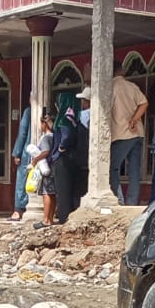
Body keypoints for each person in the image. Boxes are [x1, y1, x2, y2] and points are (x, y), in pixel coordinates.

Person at [110, 61, 148, 205]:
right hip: (137, 132)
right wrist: (134, 119)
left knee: (112, 167)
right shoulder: (132, 86)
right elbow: (144, 103)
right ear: (122, 71)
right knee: (134, 170)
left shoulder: (111, 88)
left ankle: (118, 199)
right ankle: (132, 202)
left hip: (122, 134)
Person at [51, 92, 87, 225]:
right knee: (72, 191)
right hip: (74, 160)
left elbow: (66, 135)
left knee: (63, 191)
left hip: (62, 161)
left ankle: (63, 220)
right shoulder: (76, 119)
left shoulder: (64, 120)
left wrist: (61, 147)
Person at [31, 109, 57, 227]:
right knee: (52, 193)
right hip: (53, 167)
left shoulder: (46, 138)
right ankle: (50, 219)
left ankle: (45, 220)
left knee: (46, 193)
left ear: (45, 124)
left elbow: (45, 152)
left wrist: (36, 159)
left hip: (46, 167)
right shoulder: (54, 136)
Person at [9, 103, 32, 222]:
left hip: (27, 152)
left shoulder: (29, 111)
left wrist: (17, 153)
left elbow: (22, 133)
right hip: (43, 150)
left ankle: (18, 210)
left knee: (22, 180)